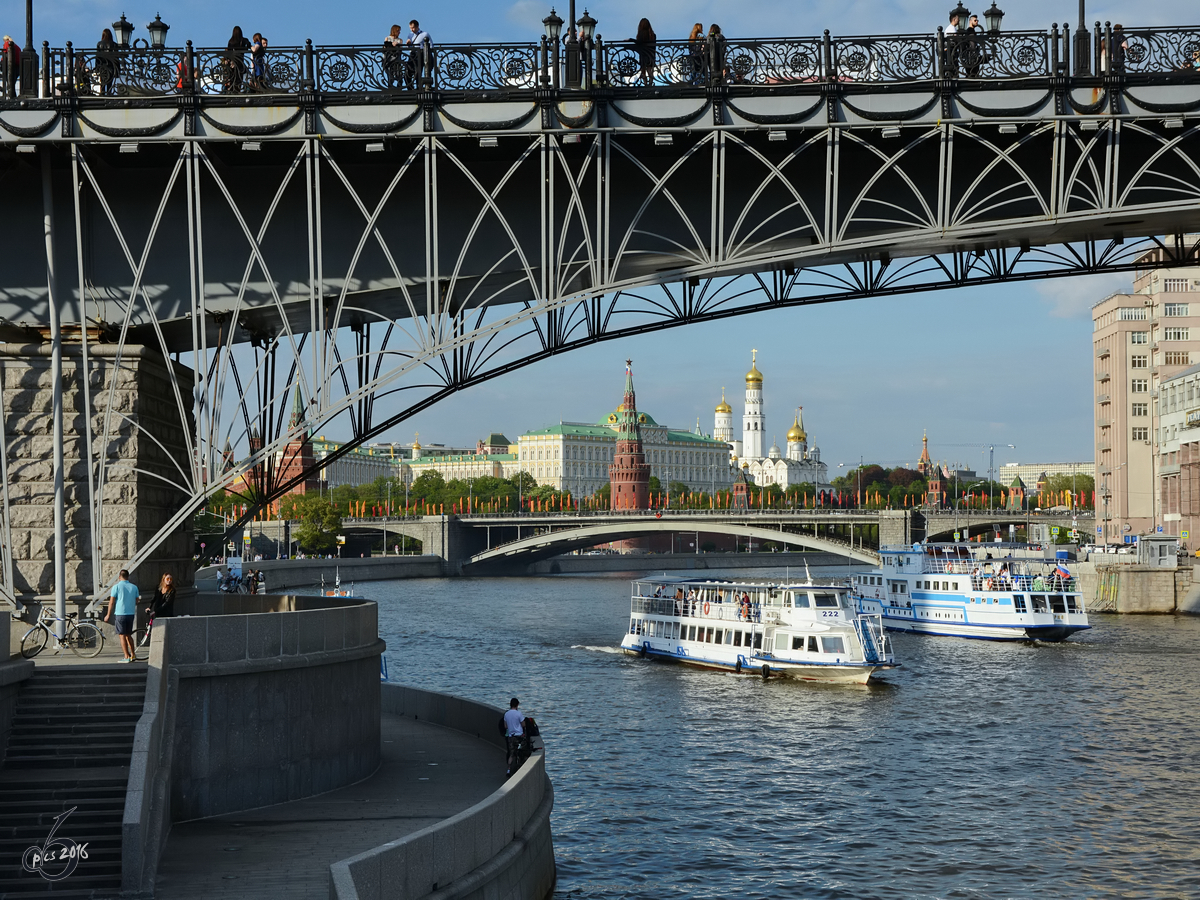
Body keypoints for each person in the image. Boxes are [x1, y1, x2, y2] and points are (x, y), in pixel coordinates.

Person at [105, 569, 141, 663]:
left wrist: (108, 614)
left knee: (122, 635)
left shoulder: (116, 587)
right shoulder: (134, 587)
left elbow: (112, 601)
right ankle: (133, 654)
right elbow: (137, 600)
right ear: (128, 577)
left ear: (119, 577)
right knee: (129, 635)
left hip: (120, 613)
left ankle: (126, 656)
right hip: (131, 613)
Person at [223, 26, 251, 93]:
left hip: (233, 62)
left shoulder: (231, 41)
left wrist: (228, 60)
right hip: (240, 62)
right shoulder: (243, 40)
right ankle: (237, 90)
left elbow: (229, 52)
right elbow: (249, 45)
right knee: (239, 78)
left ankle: (232, 91)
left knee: (233, 78)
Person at [406, 20, 431, 90]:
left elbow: (431, 46)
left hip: (420, 53)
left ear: (417, 26)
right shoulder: (410, 35)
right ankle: (410, 87)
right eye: (410, 28)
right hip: (412, 54)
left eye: (413, 27)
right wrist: (408, 44)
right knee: (408, 71)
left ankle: (418, 87)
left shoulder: (425, 34)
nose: (412, 29)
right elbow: (409, 47)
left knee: (418, 71)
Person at [503, 697, 525, 777]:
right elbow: (523, 724)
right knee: (521, 751)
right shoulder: (519, 713)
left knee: (511, 754)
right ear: (517, 704)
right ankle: (520, 767)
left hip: (510, 736)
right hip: (519, 736)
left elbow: (505, 726)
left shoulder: (506, 714)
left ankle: (508, 769)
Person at [633, 18, 656, 87]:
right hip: (651, 55)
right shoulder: (652, 35)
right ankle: (650, 84)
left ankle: (645, 84)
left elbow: (639, 42)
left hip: (643, 55)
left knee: (643, 70)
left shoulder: (641, 35)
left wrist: (630, 40)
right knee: (650, 70)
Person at [2, 34, 20, 100]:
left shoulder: (7, 44)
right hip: (17, 66)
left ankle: (11, 96)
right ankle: (13, 96)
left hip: (9, 65)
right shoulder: (17, 46)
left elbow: (5, 53)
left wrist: (1, 61)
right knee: (12, 82)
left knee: (9, 81)